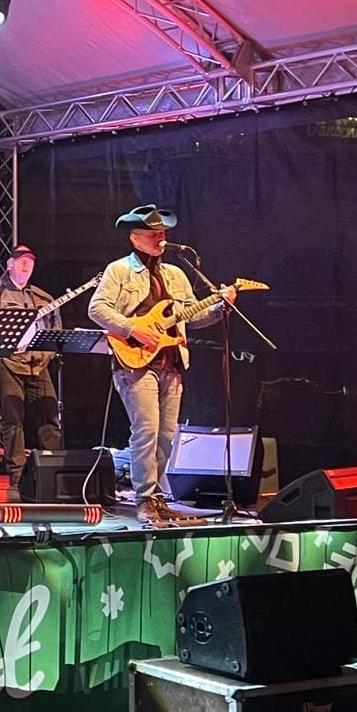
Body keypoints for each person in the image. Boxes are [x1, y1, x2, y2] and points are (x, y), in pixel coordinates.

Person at [87, 205, 234, 527]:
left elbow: (192, 317)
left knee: (167, 435)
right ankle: (144, 499)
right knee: (146, 431)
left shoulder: (176, 274)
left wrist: (219, 308)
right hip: (135, 363)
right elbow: (97, 309)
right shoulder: (119, 270)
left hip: (172, 362)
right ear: (135, 238)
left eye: (163, 233)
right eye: (154, 234)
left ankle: (156, 498)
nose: (161, 239)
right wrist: (132, 329)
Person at [0, 245, 62, 485]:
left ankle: (54, 473)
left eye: (30, 262)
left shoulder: (44, 298)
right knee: (13, 419)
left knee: (50, 417)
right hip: (8, 363)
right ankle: (17, 475)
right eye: (21, 261)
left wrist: (46, 356)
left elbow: (55, 331)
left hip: (38, 364)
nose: (26, 265)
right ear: (10, 264)